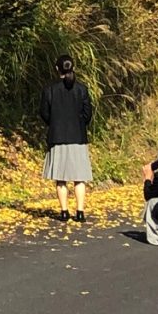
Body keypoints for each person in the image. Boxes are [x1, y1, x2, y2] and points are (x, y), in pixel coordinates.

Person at [41, 54, 95, 222]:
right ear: (73, 67)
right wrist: (79, 124)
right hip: (78, 137)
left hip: (57, 138)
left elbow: (44, 113)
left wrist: (54, 123)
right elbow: (88, 114)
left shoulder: (50, 90)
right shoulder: (82, 89)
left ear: (57, 69)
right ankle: (80, 212)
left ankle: (64, 212)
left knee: (61, 178)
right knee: (79, 177)